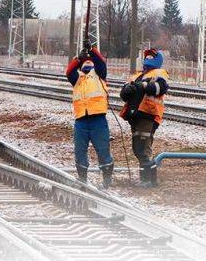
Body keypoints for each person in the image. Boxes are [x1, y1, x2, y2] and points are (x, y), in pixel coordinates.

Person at [65, 45, 114, 188]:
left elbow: (101, 63)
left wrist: (92, 50)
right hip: (81, 120)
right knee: (80, 150)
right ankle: (82, 178)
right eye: (84, 62)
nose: (87, 63)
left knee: (103, 149)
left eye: (89, 61)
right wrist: (77, 59)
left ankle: (107, 179)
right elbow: (69, 71)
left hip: (98, 119)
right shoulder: (77, 79)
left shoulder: (99, 74)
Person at [119, 48, 169, 187]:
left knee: (144, 148)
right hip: (136, 116)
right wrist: (127, 90)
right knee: (138, 148)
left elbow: (160, 88)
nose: (148, 59)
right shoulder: (136, 76)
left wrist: (145, 85)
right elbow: (123, 95)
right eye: (147, 56)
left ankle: (149, 180)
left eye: (152, 57)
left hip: (148, 116)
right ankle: (145, 179)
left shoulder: (159, 74)